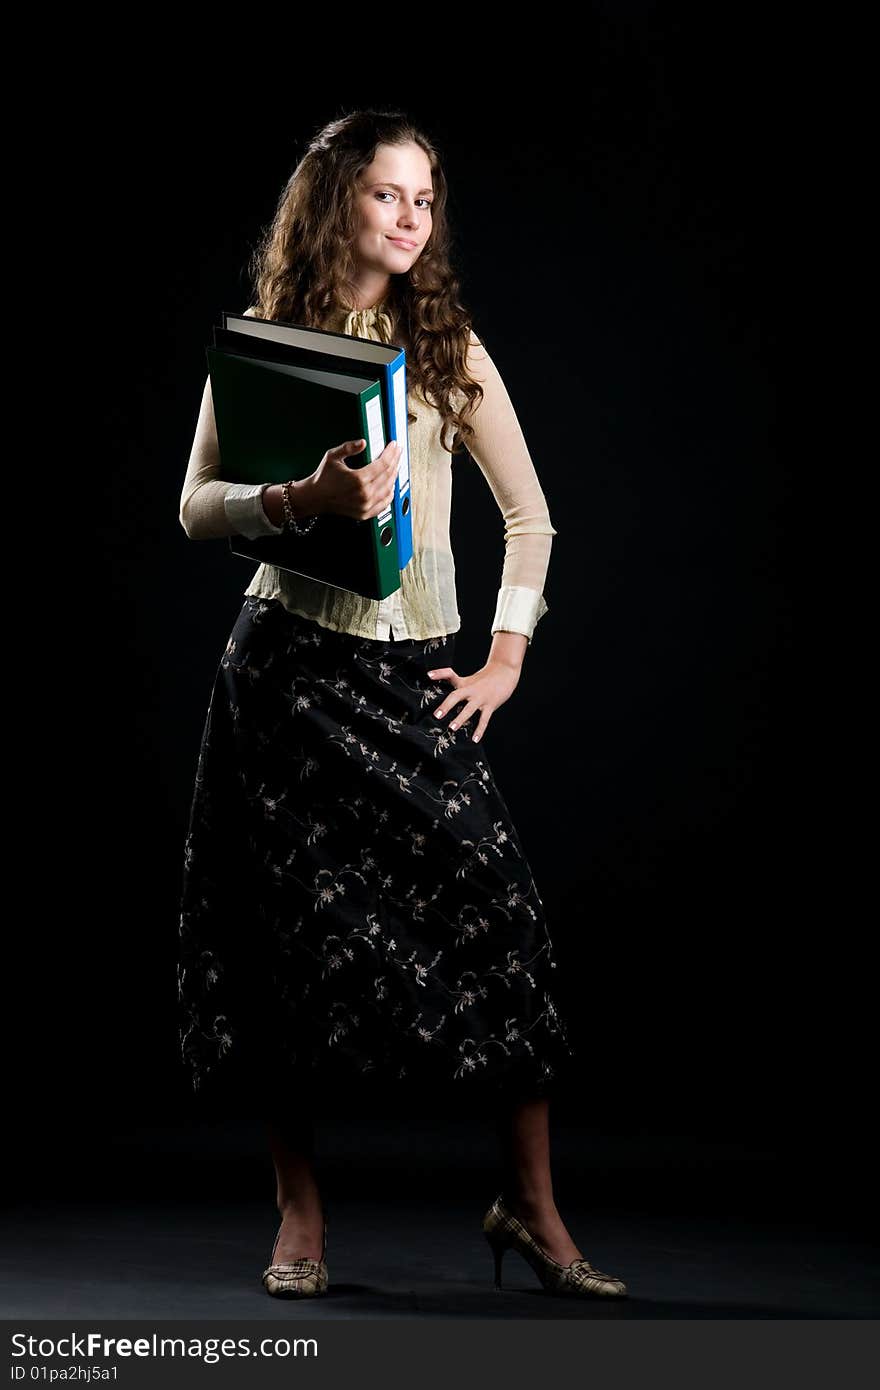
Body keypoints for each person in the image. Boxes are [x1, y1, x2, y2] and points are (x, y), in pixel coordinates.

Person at [177, 109, 627, 1301]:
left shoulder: (445, 344)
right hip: (282, 673)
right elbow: (194, 508)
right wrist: (297, 495)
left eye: (426, 197)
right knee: (282, 955)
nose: (414, 217)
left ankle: (528, 1206)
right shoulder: (271, 341)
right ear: (336, 205)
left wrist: (506, 657)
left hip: (408, 676)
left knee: (503, 921)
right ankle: (298, 1211)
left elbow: (530, 516)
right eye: (388, 194)